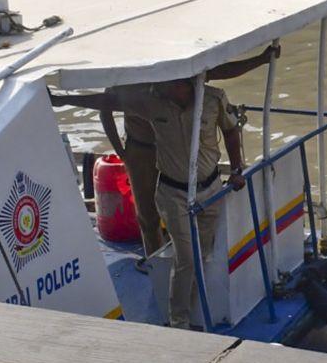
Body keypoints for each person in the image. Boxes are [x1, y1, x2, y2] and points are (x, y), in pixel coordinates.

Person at [51, 77, 246, 329]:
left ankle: (190, 309)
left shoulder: (214, 99)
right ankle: (179, 323)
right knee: (186, 257)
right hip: (172, 193)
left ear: (183, 83)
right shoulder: (152, 103)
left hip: (209, 189)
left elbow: (231, 130)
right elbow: (107, 102)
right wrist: (61, 99)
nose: (158, 87)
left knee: (202, 254)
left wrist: (238, 168)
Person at [98, 46, 280, 260]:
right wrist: (122, 152)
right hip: (143, 151)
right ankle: (156, 264)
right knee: (148, 217)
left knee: (197, 209)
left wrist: (260, 59)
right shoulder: (126, 75)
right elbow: (104, 107)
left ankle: (198, 261)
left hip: (180, 148)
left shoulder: (173, 67)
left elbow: (216, 72)